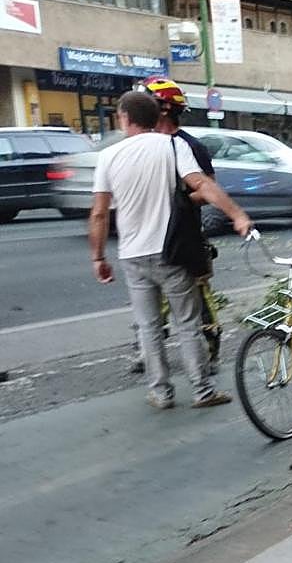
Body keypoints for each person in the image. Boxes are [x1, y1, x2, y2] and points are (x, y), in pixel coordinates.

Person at [89, 91, 253, 410]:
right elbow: (202, 185)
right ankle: (202, 391)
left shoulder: (108, 157)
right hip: (171, 250)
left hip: (132, 254)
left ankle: (161, 392)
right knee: (187, 322)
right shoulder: (172, 146)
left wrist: (98, 257)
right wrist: (237, 215)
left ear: (125, 118)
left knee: (149, 326)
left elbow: (98, 212)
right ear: (156, 118)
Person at [130, 76, 221, 376]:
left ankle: (207, 352)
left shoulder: (189, 146)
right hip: (147, 240)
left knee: (196, 296)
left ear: (165, 109)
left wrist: (179, 199)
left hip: (184, 236)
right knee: (151, 307)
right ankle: (146, 350)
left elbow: (208, 190)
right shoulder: (141, 145)